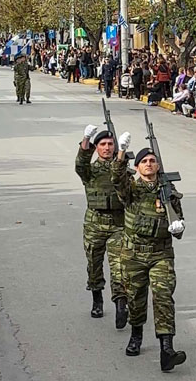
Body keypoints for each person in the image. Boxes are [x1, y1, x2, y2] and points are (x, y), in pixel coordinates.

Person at [111, 132, 187, 372]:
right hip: (133, 254)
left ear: (158, 166)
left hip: (161, 254)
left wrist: (179, 226)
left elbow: (178, 219)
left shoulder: (168, 191)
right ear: (137, 167)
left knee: (163, 296)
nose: (149, 164)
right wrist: (121, 153)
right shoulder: (131, 189)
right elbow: (117, 179)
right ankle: (136, 334)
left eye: (153, 161)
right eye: (144, 161)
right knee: (135, 298)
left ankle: (167, 349)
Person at [76, 126, 127, 327]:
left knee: (119, 266)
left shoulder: (122, 169)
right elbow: (80, 164)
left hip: (118, 224)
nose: (107, 148)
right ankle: (97, 299)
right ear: (96, 147)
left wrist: (122, 154)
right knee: (94, 263)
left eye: (110, 144)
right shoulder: (90, 171)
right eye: (103, 144)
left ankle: (120, 304)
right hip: (95, 223)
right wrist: (85, 138)